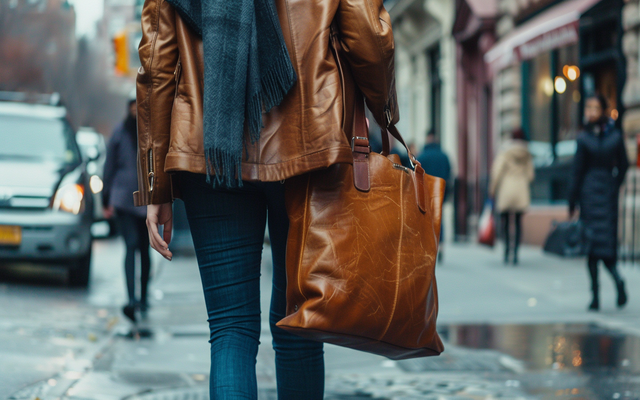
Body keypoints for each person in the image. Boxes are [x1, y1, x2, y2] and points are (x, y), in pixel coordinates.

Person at [134, 0, 397, 398]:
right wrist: (385, 112)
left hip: (211, 152)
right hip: (308, 149)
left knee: (230, 329)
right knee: (300, 325)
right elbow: (370, 38)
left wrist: (156, 184)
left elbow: (155, 66)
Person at [569, 94, 629, 311]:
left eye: (595, 107)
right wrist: (573, 198)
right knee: (596, 249)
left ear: (603, 110)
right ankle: (597, 295)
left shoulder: (610, 136)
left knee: (600, 249)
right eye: (588, 107)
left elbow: (624, 164)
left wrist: (614, 184)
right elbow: (577, 171)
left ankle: (614, 286)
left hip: (604, 195)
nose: (590, 111)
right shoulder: (585, 137)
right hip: (591, 195)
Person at [103, 99, 151, 323]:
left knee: (145, 249)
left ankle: (143, 297)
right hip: (123, 200)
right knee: (131, 246)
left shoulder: (151, 131)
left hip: (147, 201)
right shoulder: (119, 132)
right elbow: (109, 166)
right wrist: (106, 199)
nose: (135, 110)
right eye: (132, 106)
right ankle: (131, 299)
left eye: (138, 106)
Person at [489, 128, 534, 265]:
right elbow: (531, 175)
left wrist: (492, 189)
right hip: (521, 189)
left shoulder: (505, 152)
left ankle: (507, 250)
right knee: (518, 222)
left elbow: (497, 171)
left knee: (506, 221)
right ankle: (516, 254)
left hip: (506, 190)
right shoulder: (527, 154)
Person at [417, 131, 451, 260]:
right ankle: (440, 245)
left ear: (427, 139)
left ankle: (427, 246)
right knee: (439, 219)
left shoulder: (422, 156)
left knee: (425, 219)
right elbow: (449, 174)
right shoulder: (444, 156)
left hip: (425, 192)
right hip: (441, 192)